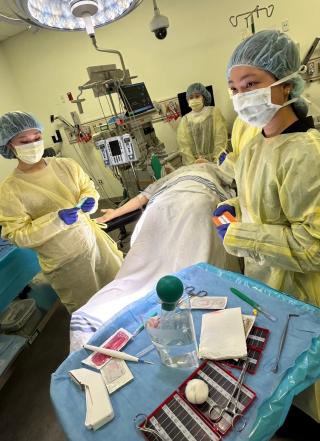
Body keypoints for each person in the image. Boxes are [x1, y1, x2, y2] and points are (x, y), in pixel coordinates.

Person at [213, 30, 320, 423]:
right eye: (234, 88)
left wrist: (238, 234)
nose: (241, 97)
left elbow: (313, 247)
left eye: (251, 84)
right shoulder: (256, 144)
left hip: (301, 291)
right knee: (280, 379)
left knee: (308, 385)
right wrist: (230, 207)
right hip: (266, 282)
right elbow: (254, 201)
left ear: (286, 85)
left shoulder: (307, 153)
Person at [70, 162, 241, 350]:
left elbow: (142, 197)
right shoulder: (206, 171)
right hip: (181, 202)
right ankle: (179, 304)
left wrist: (114, 214)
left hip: (180, 204)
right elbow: (143, 196)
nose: (199, 160)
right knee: (180, 263)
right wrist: (113, 213)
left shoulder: (213, 169)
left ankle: (156, 301)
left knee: (150, 264)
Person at [0, 111, 123, 313]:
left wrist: (90, 202)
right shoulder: (10, 190)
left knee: (122, 291)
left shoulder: (66, 165)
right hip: (66, 264)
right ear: (9, 146)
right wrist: (55, 220)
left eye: (37, 138)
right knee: (92, 314)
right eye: (24, 141)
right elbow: (18, 236)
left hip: (96, 244)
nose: (33, 144)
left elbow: (87, 188)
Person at [177, 82, 228, 165]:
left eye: (197, 96)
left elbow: (221, 138)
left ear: (203, 97)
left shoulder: (214, 112)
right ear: (187, 100)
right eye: (191, 97)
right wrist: (193, 163)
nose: (194, 99)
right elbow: (184, 146)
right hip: (196, 164)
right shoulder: (185, 120)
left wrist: (216, 161)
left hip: (215, 161)